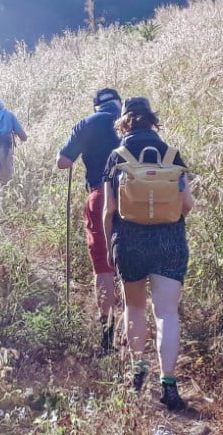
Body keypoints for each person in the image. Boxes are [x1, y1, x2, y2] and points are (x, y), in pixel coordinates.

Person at [102, 97, 195, 409]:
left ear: (125, 122)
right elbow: (188, 205)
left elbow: (108, 210)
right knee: (167, 313)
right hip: (170, 241)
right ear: (152, 120)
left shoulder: (117, 156)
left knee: (135, 308)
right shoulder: (172, 155)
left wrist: (109, 245)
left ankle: (136, 373)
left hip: (130, 242)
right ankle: (169, 385)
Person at [56, 88, 122, 354]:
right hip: (138, 197)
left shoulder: (88, 123)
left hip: (100, 197)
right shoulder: (131, 121)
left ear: (96, 107)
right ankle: (134, 328)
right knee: (130, 265)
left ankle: (107, 332)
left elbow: (63, 162)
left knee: (103, 266)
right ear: (119, 104)